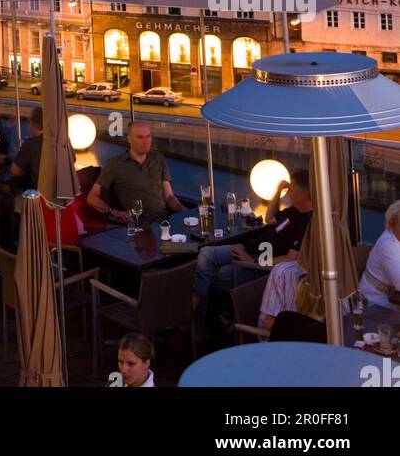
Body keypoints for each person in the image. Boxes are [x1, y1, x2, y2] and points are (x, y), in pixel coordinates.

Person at [193, 169, 313, 315]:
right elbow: (269, 218)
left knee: (214, 275)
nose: (289, 192)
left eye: (292, 190)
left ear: (305, 194)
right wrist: (277, 192)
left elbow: (290, 258)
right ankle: (199, 304)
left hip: (258, 267)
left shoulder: (306, 221)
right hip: (249, 248)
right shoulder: (294, 210)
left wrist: (255, 261)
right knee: (206, 253)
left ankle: (198, 318)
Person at [87, 122, 184, 223]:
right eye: (140, 137)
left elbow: (169, 197)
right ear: (129, 139)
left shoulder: (158, 159)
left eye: (148, 136)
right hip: (139, 224)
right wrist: (113, 211)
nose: (145, 142)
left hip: (165, 220)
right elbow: (92, 197)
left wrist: (184, 211)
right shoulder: (115, 164)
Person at [359, 199, 400, 306]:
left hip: (389, 296)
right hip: (374, 299)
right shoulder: (388, 244)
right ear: (393, 223)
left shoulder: (396, 237)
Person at [10, 106, 43, 188]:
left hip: (39, 192)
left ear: (32, 123)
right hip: (62, 190)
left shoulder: (30, 144)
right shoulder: (63, 140)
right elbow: (73, 159)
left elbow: (15, 171)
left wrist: (28, 165)